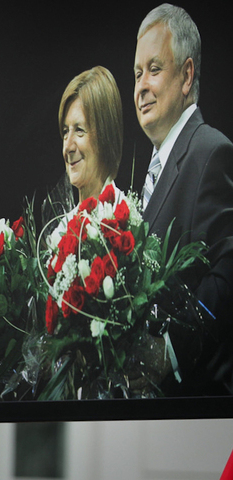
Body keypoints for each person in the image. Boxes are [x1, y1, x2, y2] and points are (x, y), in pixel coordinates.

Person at [134, 4, 233, 393]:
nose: (141, 85)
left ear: (187, 75)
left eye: (154, 70)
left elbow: (228, 273)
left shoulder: (211, 151)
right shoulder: (153, 168)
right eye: (137, 73)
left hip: (199, 409)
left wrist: (169, 350)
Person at [59, 65, 124, 204]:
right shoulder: (62, 225)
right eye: (65, 132)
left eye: (79, 130)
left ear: (105, 135)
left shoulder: (128, 222)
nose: (68, 147)